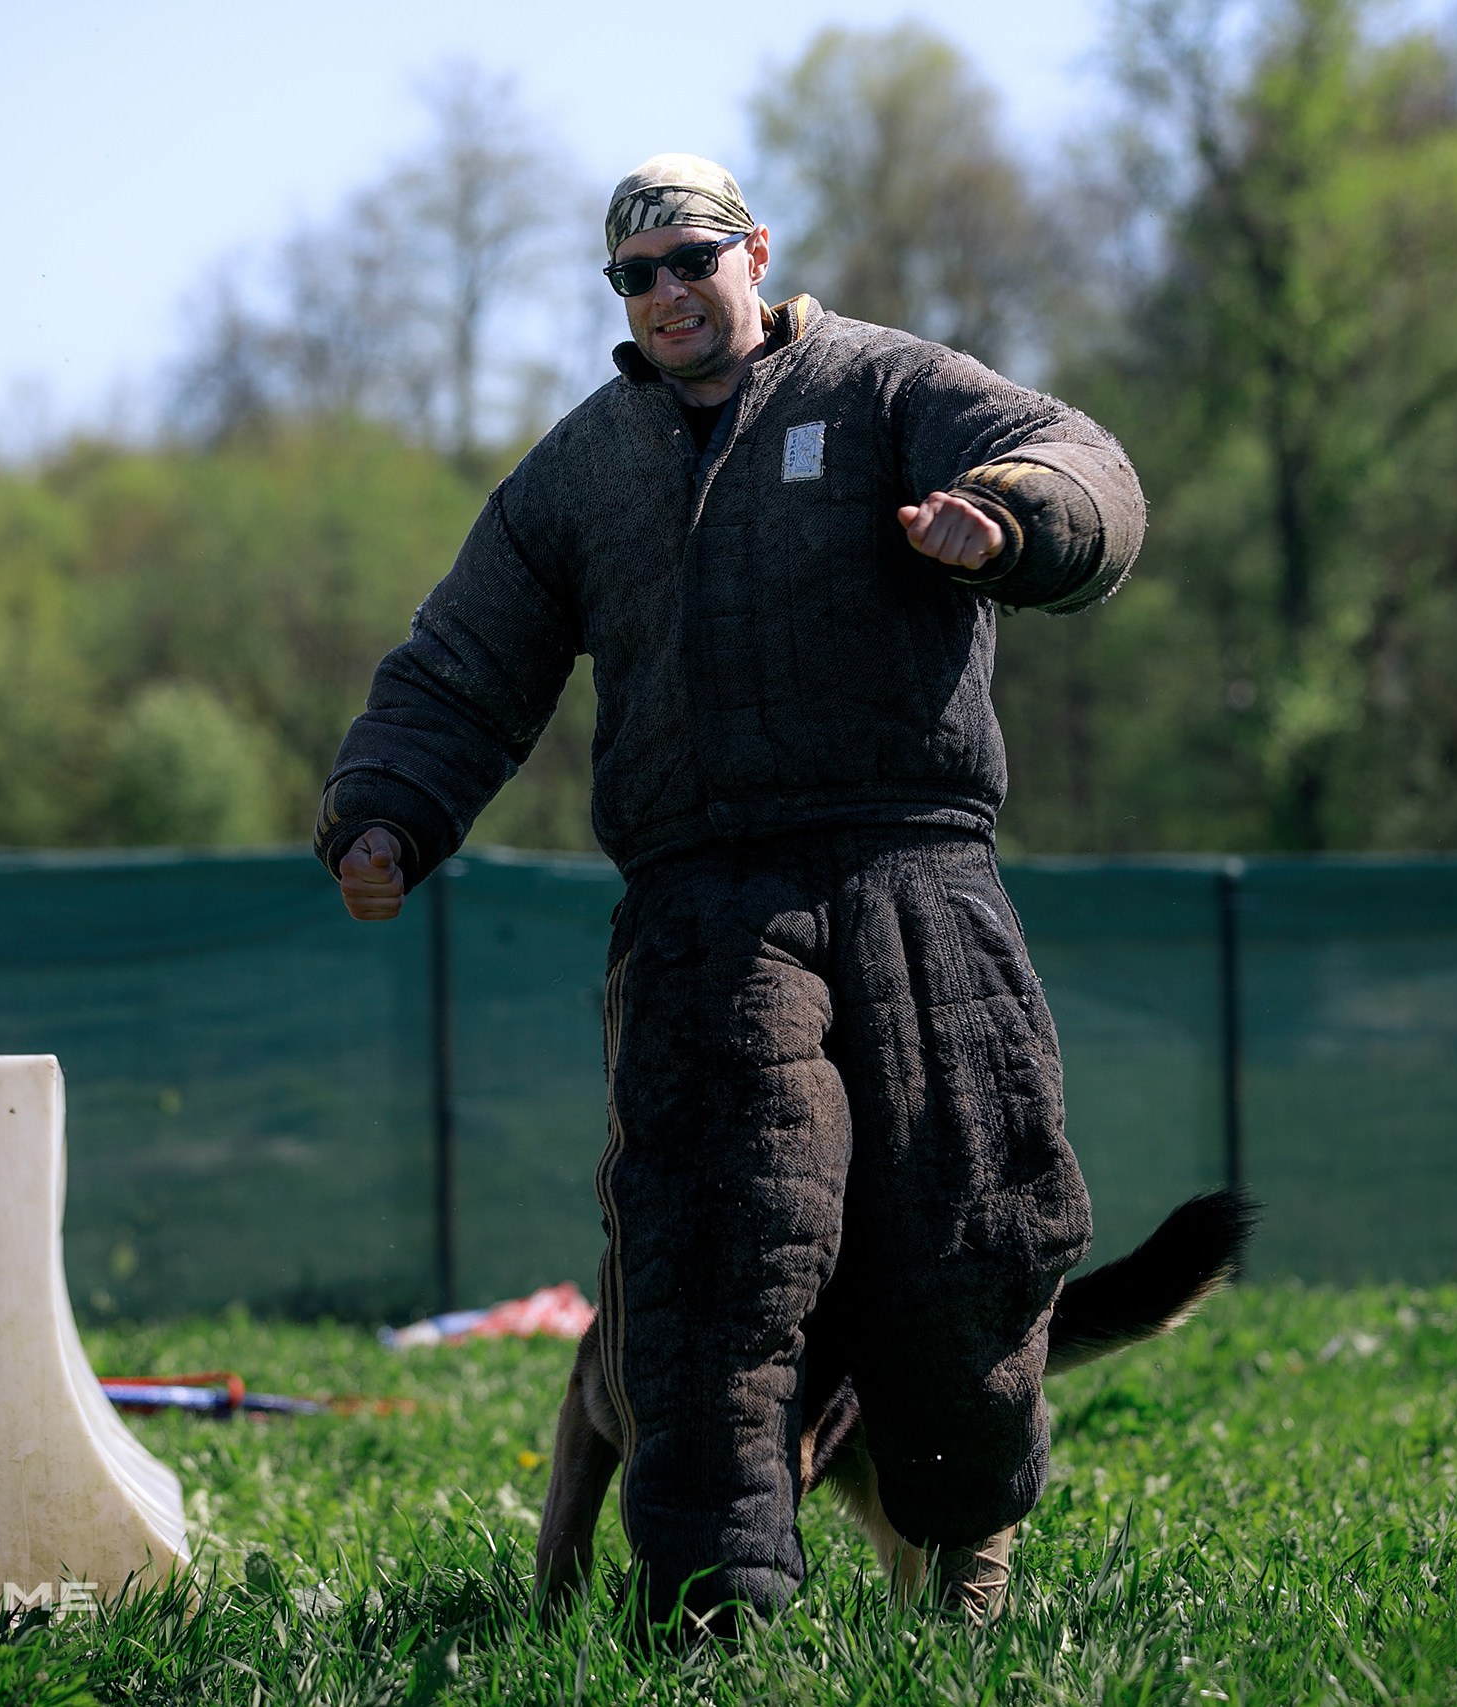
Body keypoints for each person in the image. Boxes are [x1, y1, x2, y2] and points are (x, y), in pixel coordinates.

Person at [317, 154, 1146, 1632]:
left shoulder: (889, 388)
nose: (664, 294)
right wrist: (386, 811)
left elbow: (1076, 453)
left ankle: (966, 1576)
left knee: (970, 1225)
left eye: (689, 260)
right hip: (708, 908)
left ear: (753, 252)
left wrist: (1010, 517)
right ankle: (712, 1608)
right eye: (632, 276)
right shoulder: (583, 468)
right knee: (709, 1251)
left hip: (919, 874)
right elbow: (464, 661)